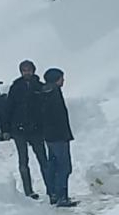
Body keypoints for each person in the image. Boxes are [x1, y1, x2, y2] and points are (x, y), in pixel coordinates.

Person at [5, 60, 51, 200]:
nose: (27, 72)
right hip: (18, 129)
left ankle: (51, 188)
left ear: (33, 70)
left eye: (29, 69)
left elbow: (46, 109)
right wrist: (7, 128)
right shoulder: (16, 86)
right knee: (23, 162)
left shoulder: (40, 86)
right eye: (24, 70)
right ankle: (28, 191)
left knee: (43, 160)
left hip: (36, 129)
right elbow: (8, 108)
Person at [40, 67, 76, 207]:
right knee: (64, 167)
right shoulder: (54, 93)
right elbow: (58, 117)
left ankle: (53, 193)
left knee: (53, 165)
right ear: (56, 79)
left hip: (50, 136)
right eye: (61, 78)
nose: (63, 80)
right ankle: (62, 196)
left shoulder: (44, 92)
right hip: (59, 136)